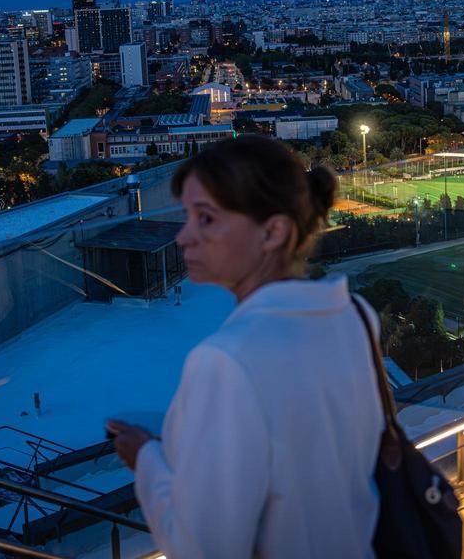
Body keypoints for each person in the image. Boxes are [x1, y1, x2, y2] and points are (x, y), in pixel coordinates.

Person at [109, 135, 383, 559]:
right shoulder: (356, 316)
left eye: (206, 219)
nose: (183, 237)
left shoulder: (226, 361)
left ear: (273, 231)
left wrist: (146, 459)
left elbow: (202, 549)